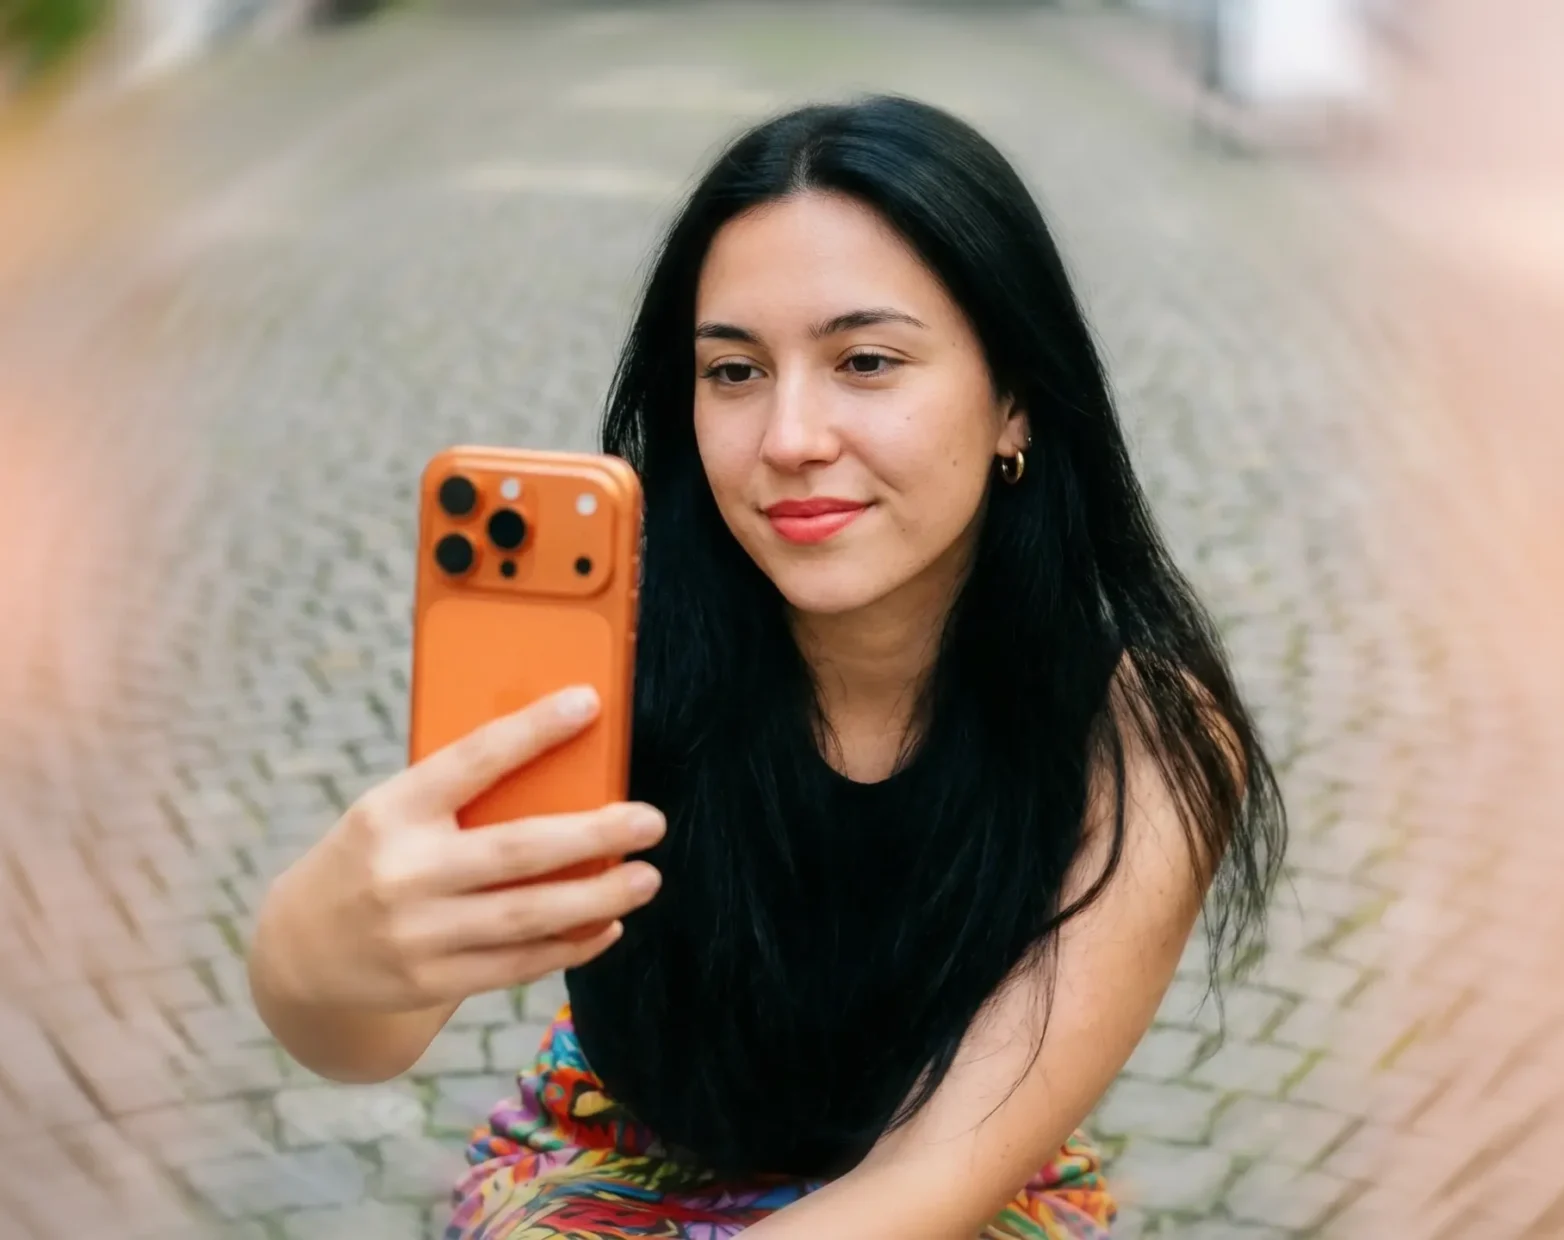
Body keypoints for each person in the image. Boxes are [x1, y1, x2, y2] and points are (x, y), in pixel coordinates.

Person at [249, 95, 1286, 1239]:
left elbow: (938, 1176)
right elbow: (364, 1037)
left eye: (867, 360)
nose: (789, 438)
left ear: (1015, 400)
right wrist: (326, 945)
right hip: (607, 1156)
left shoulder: (1136, 731)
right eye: (734, 372)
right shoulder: (611, 662)